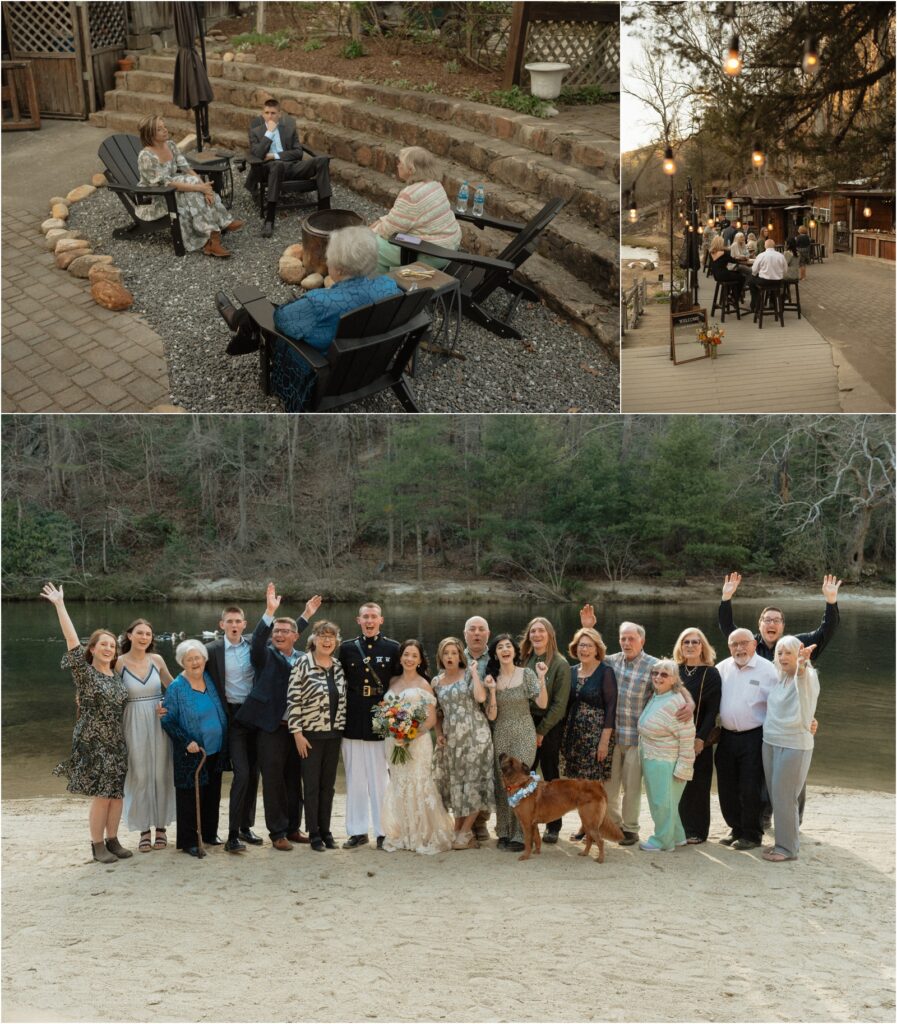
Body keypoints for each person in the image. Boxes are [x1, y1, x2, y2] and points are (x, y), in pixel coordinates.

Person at [579, 604, 693, 846]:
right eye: (623, 638)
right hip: (611, 737)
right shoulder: (611, 662)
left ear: (642, 640)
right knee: (609, 787)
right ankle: (614, 825)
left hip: (636, 740)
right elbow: (588, 653)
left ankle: (631, 829)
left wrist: (689, 702)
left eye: (631, 638)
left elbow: (676, 685)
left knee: (632, 788)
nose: (626, 642)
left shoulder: (654, 666)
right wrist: (588, 628)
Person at [42, 583, 131, 865]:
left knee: (117, 793)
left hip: (116, 741)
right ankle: (96, 845)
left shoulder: (116, 676)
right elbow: (70, 640)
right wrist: (60, 604)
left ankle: (113, 840)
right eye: (102, 644)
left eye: (112, 645)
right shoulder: (86, 674)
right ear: (92, 649)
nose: (108, 648)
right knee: (103, 793)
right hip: (94, 741)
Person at [270, 227, 402, 411]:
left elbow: (281, 319)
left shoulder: (320, 303)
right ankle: (241, 324)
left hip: (328, 375)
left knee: (259, 315)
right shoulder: (388, 287)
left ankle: (242, 325)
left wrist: (294, 303)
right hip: (369, 366)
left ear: (338, 269)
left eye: (328, 258)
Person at [235, 582, 321, 850]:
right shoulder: (263, 655)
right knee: (272, 780)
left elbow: (293, 632)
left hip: (298, 728)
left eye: (287, 631)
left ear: (296, 636)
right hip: (271, 727)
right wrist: (270, 611)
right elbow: (260, 639)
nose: (280, 634)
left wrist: (305, 617)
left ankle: (294, 827)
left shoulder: (304, 658)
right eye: (277, 631)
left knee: (294, 778)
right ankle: (278, 833)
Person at [380, 640, 455, 854]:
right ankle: (405, 832)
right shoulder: (392, 680)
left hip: (417, 741)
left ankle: (421, 833)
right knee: (399, 782)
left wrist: (410, 736)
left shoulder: (424, 684)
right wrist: (394, 732)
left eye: (414, 655)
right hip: (393, 740)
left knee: (418, 783)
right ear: (400, 657)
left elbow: (431, 720)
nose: (409, 659)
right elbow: (387, 710)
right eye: (406, 654)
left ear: (420, 660)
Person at [134, 115, 242, 257]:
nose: (165, 130)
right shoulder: (146, 156)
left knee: (192, 183)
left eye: (164, 126)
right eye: (159, 129)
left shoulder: (171, 145)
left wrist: (205, 188)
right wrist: (200, 188)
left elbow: (186, 168)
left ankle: (213, 238)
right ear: (150, 134)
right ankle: (218, 229)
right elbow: (167, 183)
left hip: (176, 188)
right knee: (192, 191)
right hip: (160, 196)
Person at [339, 601, 400, 849]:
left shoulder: (393, 648)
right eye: (365, 616)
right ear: (358, 620)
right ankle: (357, 831)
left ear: (381, 620)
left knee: (379, 779)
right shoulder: (346, 649)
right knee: (355, 778)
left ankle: (383, 830)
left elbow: (398, 682)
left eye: (374, 616)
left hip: (380, 717)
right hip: (353, 717)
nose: (369, 621)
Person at [160, 640, 228, 857]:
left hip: (215, 748)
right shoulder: (177, 687)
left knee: (213, 793)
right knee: (189, 796)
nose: (195, 662)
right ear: (182, 663)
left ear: (204, 660)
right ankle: (189, 840)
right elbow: (168, 720)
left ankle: (209, 833)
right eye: (189, 659)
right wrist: (185, 741)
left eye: (198, 657)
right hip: (191, 751)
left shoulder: (209, 679)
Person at [205, 605, 264, 853]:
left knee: (253, 773)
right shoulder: (211, 650)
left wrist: (304, 615)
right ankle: (231, 836)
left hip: (254, 715)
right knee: (240, 774)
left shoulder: (253, 645)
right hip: (230, 717)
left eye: (238, 621)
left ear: (245, 624)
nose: (234, 625)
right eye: (229, 621)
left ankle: (244, 826)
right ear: (222, 625)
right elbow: (191, 673)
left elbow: (285, 636)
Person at [715, 629, 778, 850]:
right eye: (734, 644)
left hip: (755, 736)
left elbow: (779, 704)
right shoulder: (722, 668)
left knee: (751, 787)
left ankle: (752, 834)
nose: (739, 648)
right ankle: (736, 828)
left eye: (744, 643)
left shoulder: (769, 670)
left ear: (754, 644)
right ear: (729, 646)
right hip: (726, 736)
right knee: (727, 786)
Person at [116, 619, 175, 853]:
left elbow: (173, 687)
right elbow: (108, 691)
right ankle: (143, 830)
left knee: (161, 773)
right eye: (139, 633)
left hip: (158, 721)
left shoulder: (157, 660)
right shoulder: (118, 663)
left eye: (148, 634)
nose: (144, 637)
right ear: (129, 635)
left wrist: (168, 705)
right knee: (139, 774)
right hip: (131, 721)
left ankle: (161, 828)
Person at [485, 633, 548, 852]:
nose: (505, 650)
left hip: (524, 731)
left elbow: (541, 703)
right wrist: (492, 691)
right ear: (495, 653)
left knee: (521, 781)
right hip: (501, 731)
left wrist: (541, 678)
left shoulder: (527, 673)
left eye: (508, 646)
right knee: (504, 784)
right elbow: (491, 716)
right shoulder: (491, 678)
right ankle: (504, 831)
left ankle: (522, 834)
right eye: (500, 647)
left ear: (514, 651)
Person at [287, 620, 347, 852]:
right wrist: (297, 733)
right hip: (309, 735)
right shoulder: (302, 664)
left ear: (336, 640)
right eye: (322, 635)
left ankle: (326, 831)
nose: (326, 640)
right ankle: (313, 834)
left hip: (333, 734)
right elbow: (293, 700)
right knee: (311, 786)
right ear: (314, 639)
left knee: (328, 786)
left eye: (331, 636)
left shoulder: (338, 666)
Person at [431, 637, 495, 850]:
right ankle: (459, 832)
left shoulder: (468, 674)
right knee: (457, 785)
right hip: (452, 738)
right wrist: (439, 733)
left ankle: (466, 831)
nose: (450, 656)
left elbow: (479, 698)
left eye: (453, 653)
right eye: (445, 653)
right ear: (441, 656)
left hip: (476, 735)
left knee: (475, 783)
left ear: (460, 656)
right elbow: (437, 713)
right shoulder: (436, 682)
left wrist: (475, 673)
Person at [763, 637, 820, 862]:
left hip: (795, 743)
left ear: (799, 654)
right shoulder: (779, 678)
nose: (783, 657)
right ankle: (783, 841)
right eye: (779, 653)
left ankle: (788, 849)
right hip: (770, 741)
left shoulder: (807, 676)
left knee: (785, 796)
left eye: (789, 653)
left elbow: (803, 681)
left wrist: (803, 664)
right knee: (776, 795)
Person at [560, 627, 616, 842]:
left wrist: (604, 742)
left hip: (594, 737)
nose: (584, 649)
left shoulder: (605, 672)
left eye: (589, 645)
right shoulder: (572, 671)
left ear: (597, 649)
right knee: (577, 785)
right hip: (573, 736)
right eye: (581, 645)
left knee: (591, 786)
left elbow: (611, 707)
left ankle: (592, 828)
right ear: (575, 648)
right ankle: (586, 826)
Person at [368, 146, 462, 273]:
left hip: (430, 253)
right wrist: (381, 221)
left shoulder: (411, 195)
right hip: (448, 246)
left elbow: (389, 230)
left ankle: (380, 288)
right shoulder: (435, 185)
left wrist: (371, 231)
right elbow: (406, 218)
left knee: (370, 245)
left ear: (411, 169)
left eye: (400, 162)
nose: (398, 165)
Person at [248, 96, 332, 237]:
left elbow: (298, 153)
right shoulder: (256, 132)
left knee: (322, 160)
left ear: (279, 115)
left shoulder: (289, 130)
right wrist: (269, 133)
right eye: (267, 113)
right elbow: (259, 154)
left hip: (292, 167)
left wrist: (274, 155)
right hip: (271, 170)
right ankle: (269, 220)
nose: (270, 116)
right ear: (263, 114)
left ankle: (325, 211)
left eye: (273, 113)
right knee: (277, 166)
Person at [521, 617, 571, 845]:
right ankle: (526, 821)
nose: (537, 635)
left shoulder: (560, 664)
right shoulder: (526, 660)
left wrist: (541, 731)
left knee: (550, 776)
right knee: (525, 773)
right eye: (533, 631)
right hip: (525, 722)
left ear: (550, 634)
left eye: (541, 631)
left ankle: (554, 826)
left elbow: (560, 705)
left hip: (549, 725)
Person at [637, 659, 696, 852]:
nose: (658, 677)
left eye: (664, 674)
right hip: (653, 757)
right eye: (655, 673)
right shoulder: (657, 695)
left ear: (674, 679)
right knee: (668, 803)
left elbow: (687, 738)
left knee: (661, 804)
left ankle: (662, 842)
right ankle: (678, 837)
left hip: (666, 762)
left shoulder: (676, 702)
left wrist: (684, 768)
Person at [719, 573, 841, 663]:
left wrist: (831, 601)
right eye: (767, 620)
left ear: (783, 626)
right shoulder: (750, 643)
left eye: (777, 620)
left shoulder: (794, 644)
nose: (771, 623)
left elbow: (826, 631)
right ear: (759, 624)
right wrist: (726, 597)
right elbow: (727, 626)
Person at [672, 627, 722, 844]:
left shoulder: (710, 673)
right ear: (680, 647)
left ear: (703, 646)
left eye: (695, 642)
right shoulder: (674, 671)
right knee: (676, 782)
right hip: (674, 738)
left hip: (697, 737)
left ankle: (697, 831)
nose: (690, 646)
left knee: (698, 785)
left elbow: (713, 710)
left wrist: (700, 738)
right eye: (686, 642)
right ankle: (677, 828)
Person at [461, 614, 492, 843]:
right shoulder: (453, 656)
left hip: (488, 722)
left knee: (484, 774)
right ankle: (462, 821)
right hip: (460, 724)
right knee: (460, 773)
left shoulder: (497, 658)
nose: (477, 633)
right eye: (472, 629)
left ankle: (481, 821)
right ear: (465, 634)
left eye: (481, 629)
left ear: (488, 634)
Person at [748, 238, 788, 311]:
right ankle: (772, 303)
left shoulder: (761, 255)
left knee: (751, 281)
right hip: (778, 282)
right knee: (773, 283)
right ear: (774, 246)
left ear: (765, 246)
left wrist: (758, 273)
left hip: (764, 281)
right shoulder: (781, 256)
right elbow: (785, 271)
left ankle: (756, 304)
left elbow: (754, 271)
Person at [709, 234, 748, 301]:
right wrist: (741, 258)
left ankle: (728, 295)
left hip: (716, 276)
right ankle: (735, 297)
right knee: (741, 277)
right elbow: (734, 260)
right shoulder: (724, 253)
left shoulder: (711, 253)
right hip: (724, 275)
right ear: (720, 244)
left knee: (735, 274)